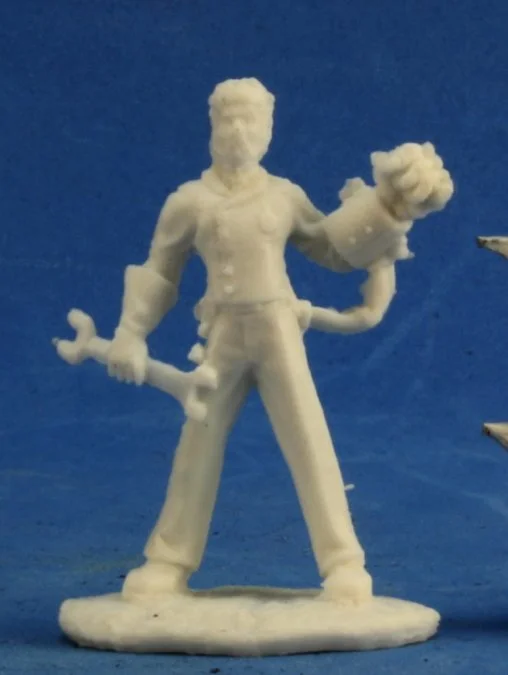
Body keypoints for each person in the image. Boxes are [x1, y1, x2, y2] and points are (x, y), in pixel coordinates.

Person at [106, 78, 453, 603]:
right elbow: (160, 271)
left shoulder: (284, 196)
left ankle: (343, 563)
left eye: (251, 120)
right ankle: (168, 561)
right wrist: (130, 334)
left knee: (309, 441)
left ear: (268, 130)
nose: (239, 130)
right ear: (212, 127)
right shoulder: (189, 202)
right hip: (222, 333)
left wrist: (389, 213)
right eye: (228, 119)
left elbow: (332, 249)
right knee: (198, 444)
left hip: (277, 328)